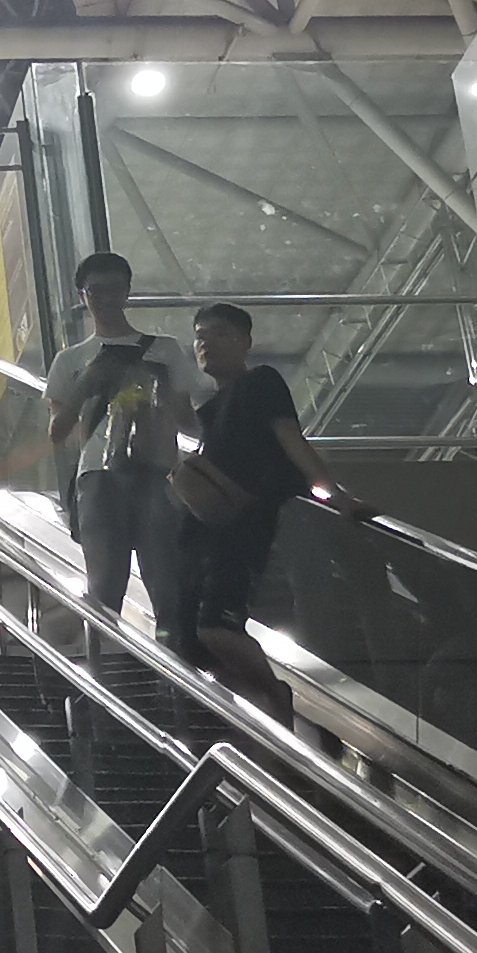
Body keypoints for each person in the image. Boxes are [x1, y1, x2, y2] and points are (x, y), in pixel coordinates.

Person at [174, 301, 369, 725]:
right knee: (191, 636)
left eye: (219, 333)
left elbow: (291, 439)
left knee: (214, 627)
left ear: (245, 341)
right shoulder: (210, 410)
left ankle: (275, 696)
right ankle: (260, 712)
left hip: (248, 528)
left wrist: (334, 495)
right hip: (211, 531)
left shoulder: (261, 383)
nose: (206, 343)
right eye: (200, 336)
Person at [38, 252, 202, 650]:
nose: (107, 299)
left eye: (115, 289)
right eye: (96, 291)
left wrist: (160, 392)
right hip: (99, 476)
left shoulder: (165, 350)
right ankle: (104, 669)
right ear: (83, 296)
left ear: (128, 292)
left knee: (167, 582)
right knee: (105, 584)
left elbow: (188, 423)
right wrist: (87, 383)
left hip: (157, 472)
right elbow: (58, 433)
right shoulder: (71, 360)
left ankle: (173, 669)